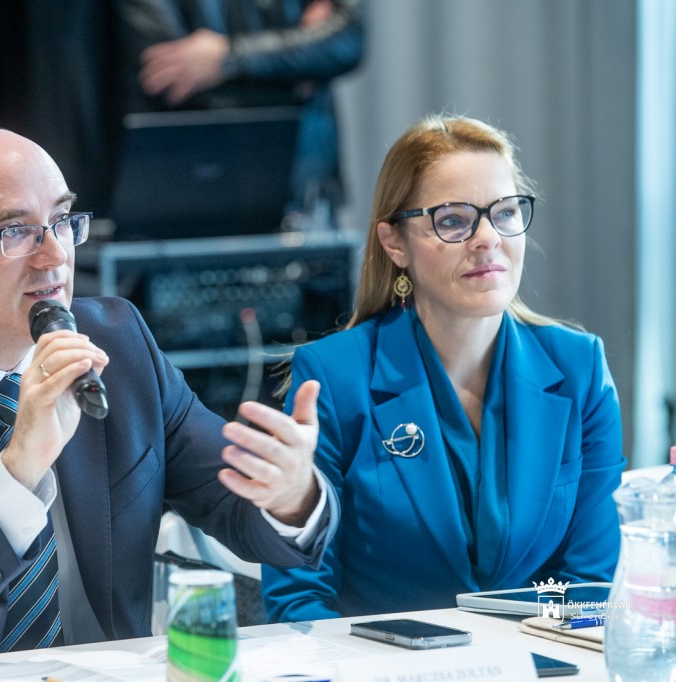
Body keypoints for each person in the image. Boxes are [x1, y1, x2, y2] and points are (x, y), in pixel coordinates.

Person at [0, 126, 336, 674]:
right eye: (15, 231)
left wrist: (290, 495)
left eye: (63, 221)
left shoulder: (119, 342)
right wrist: (19, 467)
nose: (54, 256)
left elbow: (239, 508)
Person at [260, 114, 625, 622]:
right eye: (453, 220)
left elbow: (590, 592)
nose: (487, 238)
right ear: (394, 243)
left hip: (537, 659)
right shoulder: (334, 376)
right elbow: (297, 601)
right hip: (380, 663)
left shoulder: (580, 367)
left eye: (504, 212)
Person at [114, 0, 364, 217]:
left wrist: (227, 58)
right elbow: (167, 72)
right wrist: (297, 61)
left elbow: (346, 42)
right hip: (187, 190)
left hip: (304, 187)